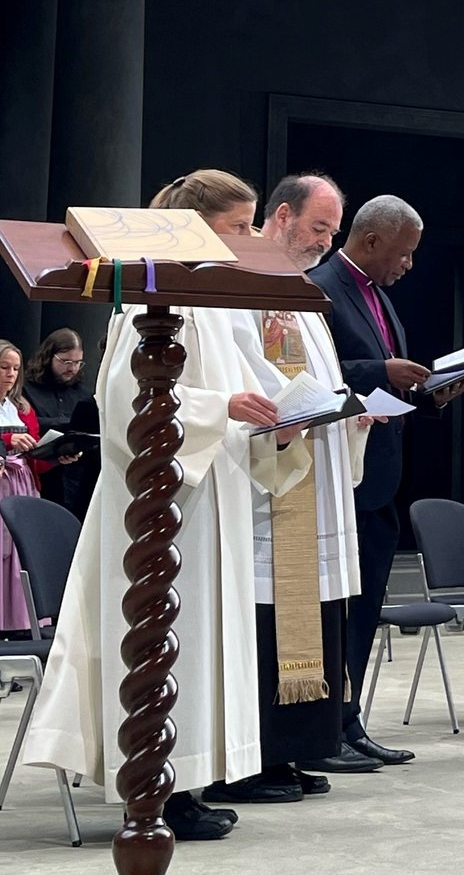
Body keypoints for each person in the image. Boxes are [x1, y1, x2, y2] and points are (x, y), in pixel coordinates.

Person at [22, 169, 288, 841]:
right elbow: (120, 401)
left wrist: (277, 415)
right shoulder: (153, 290)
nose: (248, 239)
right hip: (166, 498)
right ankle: (157, 783)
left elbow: (240, 388)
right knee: (173, 634)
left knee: (198, 639)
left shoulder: (213, 298)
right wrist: (218, 407)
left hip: (206, 488)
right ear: (197, 226)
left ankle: (186, 777)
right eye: (238, 227)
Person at [208, 175, 375, 796]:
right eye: (318, 229)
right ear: (280, 216)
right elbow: (245, 379)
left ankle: (296, 750)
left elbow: (320, 378)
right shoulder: (240, 290)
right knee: (266, 620)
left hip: (313, 475)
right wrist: (297, 409)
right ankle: (256, 758)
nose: (327, 244)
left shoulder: (296, 292)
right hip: (268, 485)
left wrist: (352, 409)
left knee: (314, 614)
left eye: (333, 232)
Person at [307, 189, 464, 765]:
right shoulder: (322, 287)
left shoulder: (375, 294)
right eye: (402, 253)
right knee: (339, 609)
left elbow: (384, 380)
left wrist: (429, 393)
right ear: (371, 240)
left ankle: (350, 723)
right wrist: (383, 369)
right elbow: (314, 371)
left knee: (366, 606)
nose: (408, 265)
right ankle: (323, 726)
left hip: (379, 473)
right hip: (337, 475)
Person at [0, 340, 59, 636]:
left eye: (15, 369)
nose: (10, 374)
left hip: (21, 483)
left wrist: (56, 454)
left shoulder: (18, 407)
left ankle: (20, 621)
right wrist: (7, 442)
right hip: (2, 482)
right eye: (4, 367)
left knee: (21, 548)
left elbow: (33, 454)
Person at [21, 328, 96, 520]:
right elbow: (25, 424)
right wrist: (66, 424)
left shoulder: (83, 394)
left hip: (75, 480)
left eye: (78, 363)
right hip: (40, 476)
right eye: (66, 362)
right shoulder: (26, 389)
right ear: (48, 357)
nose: (72, 368)